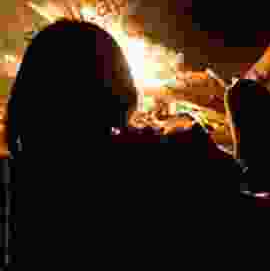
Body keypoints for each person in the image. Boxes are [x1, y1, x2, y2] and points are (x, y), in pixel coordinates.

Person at [3, 20, 246, 267]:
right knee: (245, 95)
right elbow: (231, 180)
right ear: (118, 87)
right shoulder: (150, 159)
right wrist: (190, 137)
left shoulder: (22, 172)